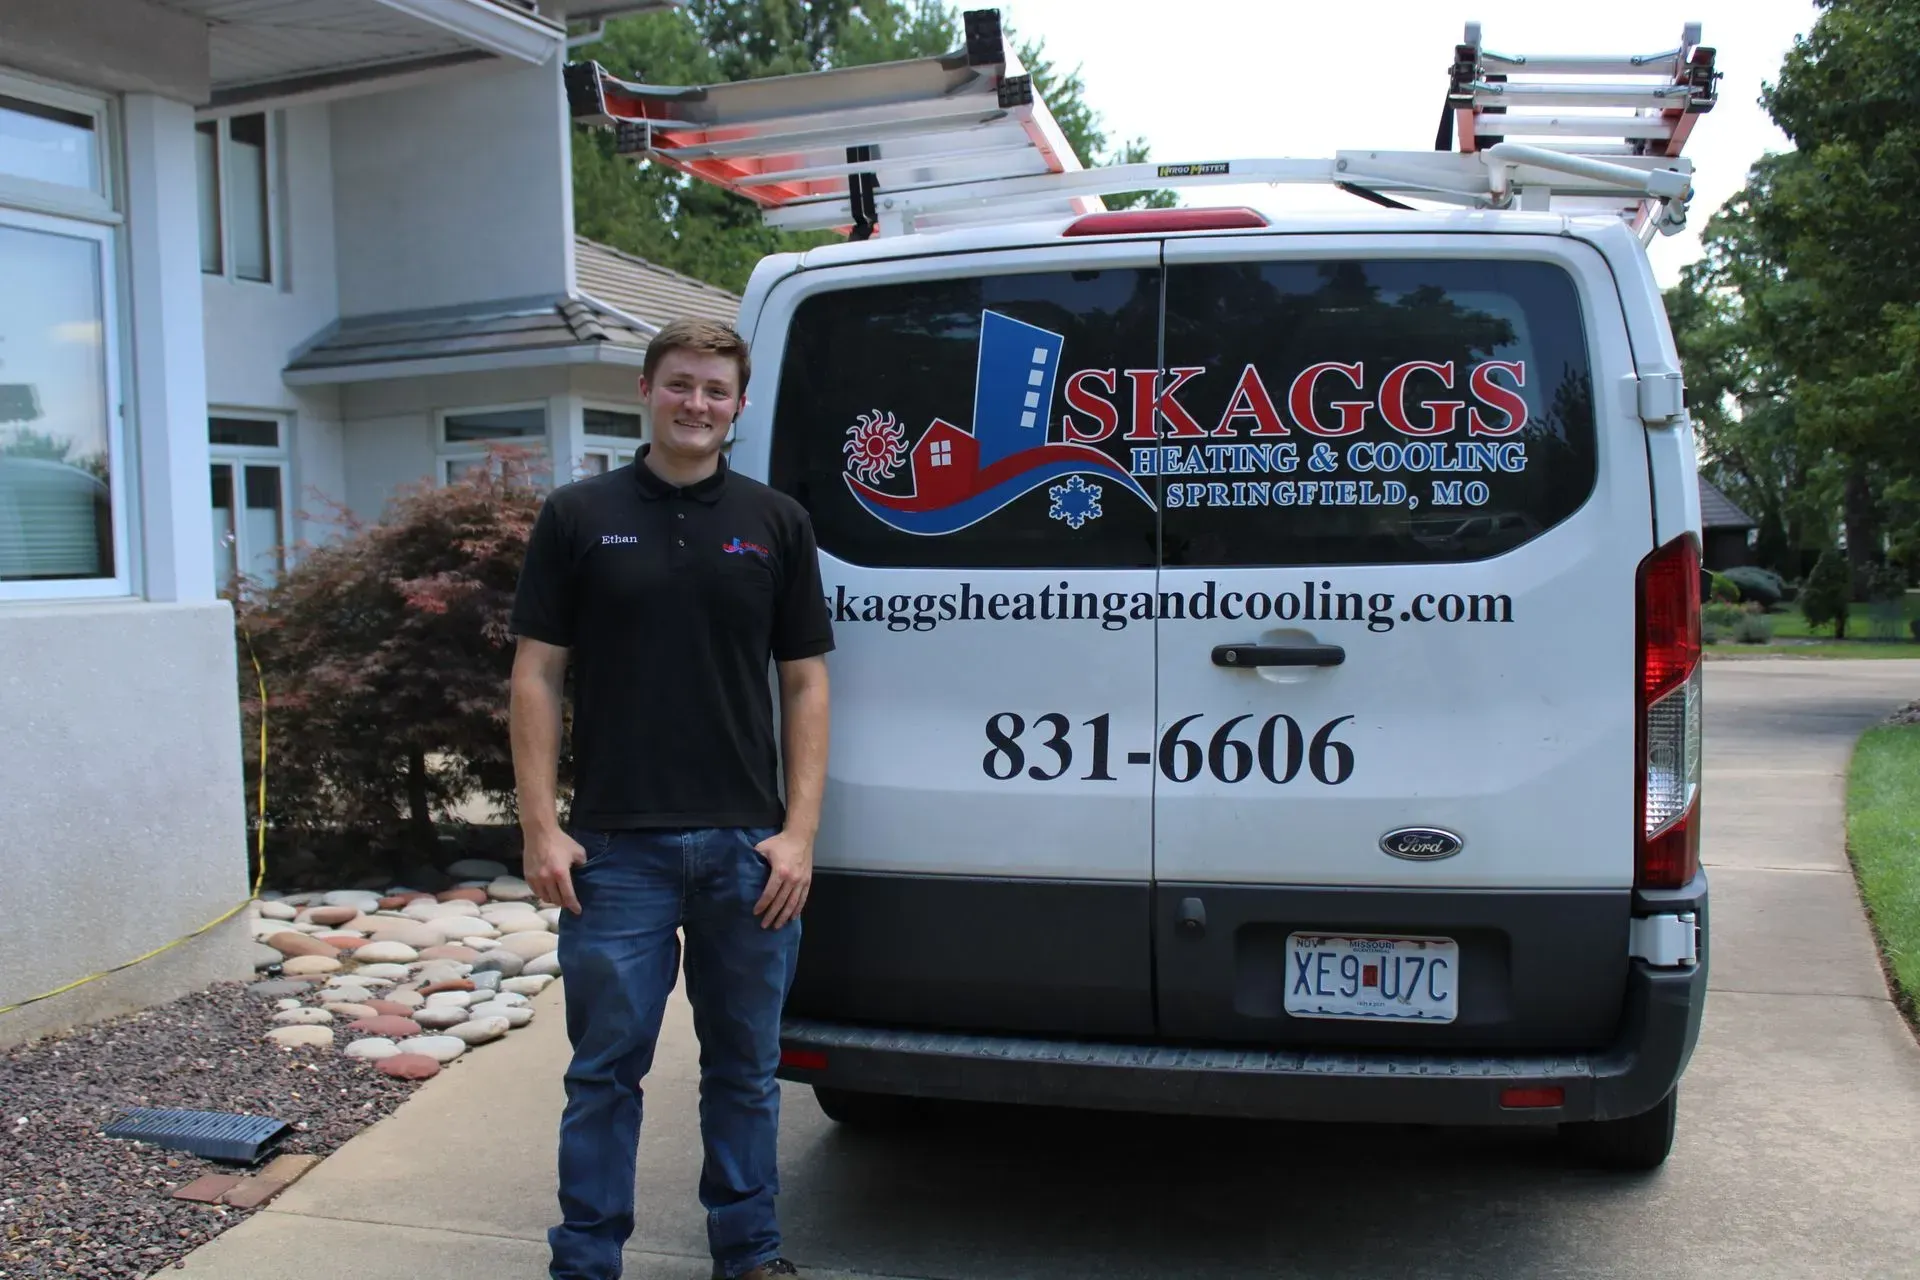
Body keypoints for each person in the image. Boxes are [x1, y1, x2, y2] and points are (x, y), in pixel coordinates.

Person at [507, 316, 834, 1280]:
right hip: (615, 852)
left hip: (747, 851)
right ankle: (587, 1263)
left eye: (717, 390)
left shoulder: (777, 522)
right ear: (646, 390)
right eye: (681, 384)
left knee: (745, 1073)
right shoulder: (577, 515)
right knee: (605, 1075)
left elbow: (806, 681)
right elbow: (536, 675)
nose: (698, 404)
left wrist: (799, 833)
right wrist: (541, 828)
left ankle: (749, 1254)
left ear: (739, 407)